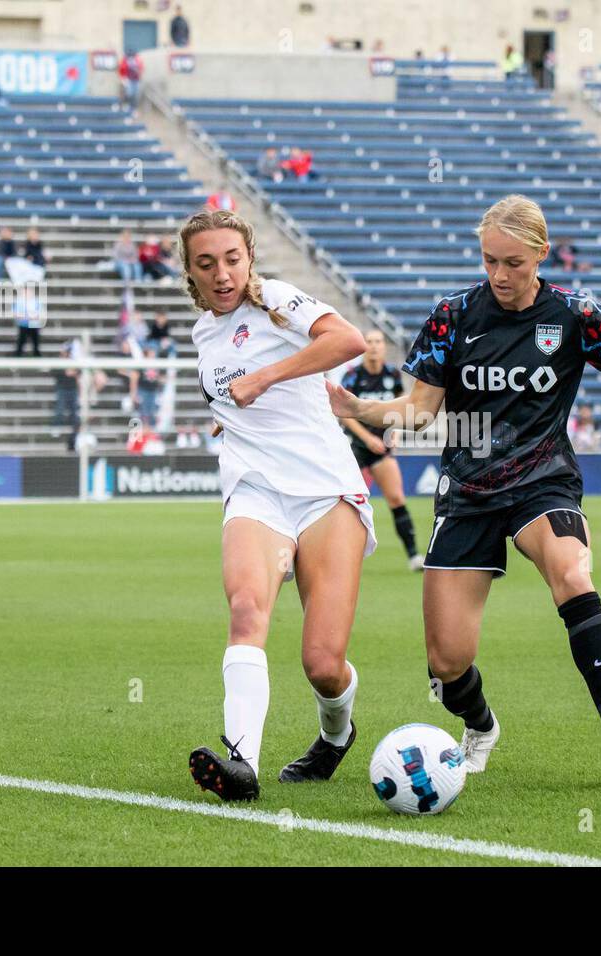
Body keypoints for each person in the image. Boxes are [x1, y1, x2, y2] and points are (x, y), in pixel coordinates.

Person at [329, 194, 601, 781]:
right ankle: (481, 723)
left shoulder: (575, 315)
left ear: (540, 253)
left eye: (512, 262)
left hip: (543, 480)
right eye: (489, 260)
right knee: (446, 661)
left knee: (573, 572)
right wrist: (357, 407)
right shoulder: (452, 316)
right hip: (467, 489)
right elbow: (419, 410)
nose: (499, 274)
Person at [182, 208, 376, 803]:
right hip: (255, 488)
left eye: (232, 259)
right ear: (189, 273)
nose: (222, 273)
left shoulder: (278, 301)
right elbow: (232, 398)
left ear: (249, 258)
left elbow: (347, 340)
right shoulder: (201, 334)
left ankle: (334, 734)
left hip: (324, 489)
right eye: (206, 263)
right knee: (246, 611)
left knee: (322, 662)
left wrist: (266, 378)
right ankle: (242, 763)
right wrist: (230, 418)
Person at [339, 330, 423, 571]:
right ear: (363, 346)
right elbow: (344, 414)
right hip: (355, 447)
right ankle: (338, 557)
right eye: (369, 342)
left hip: (380, 448)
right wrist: (366, 438)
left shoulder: (392, 374)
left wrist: (393, 431)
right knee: (342, 502)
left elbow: (400, 404)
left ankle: (413, 556)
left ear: (384, 347)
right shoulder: (352, 376)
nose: (374, 346)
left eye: (378, 342)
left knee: (396, 498)